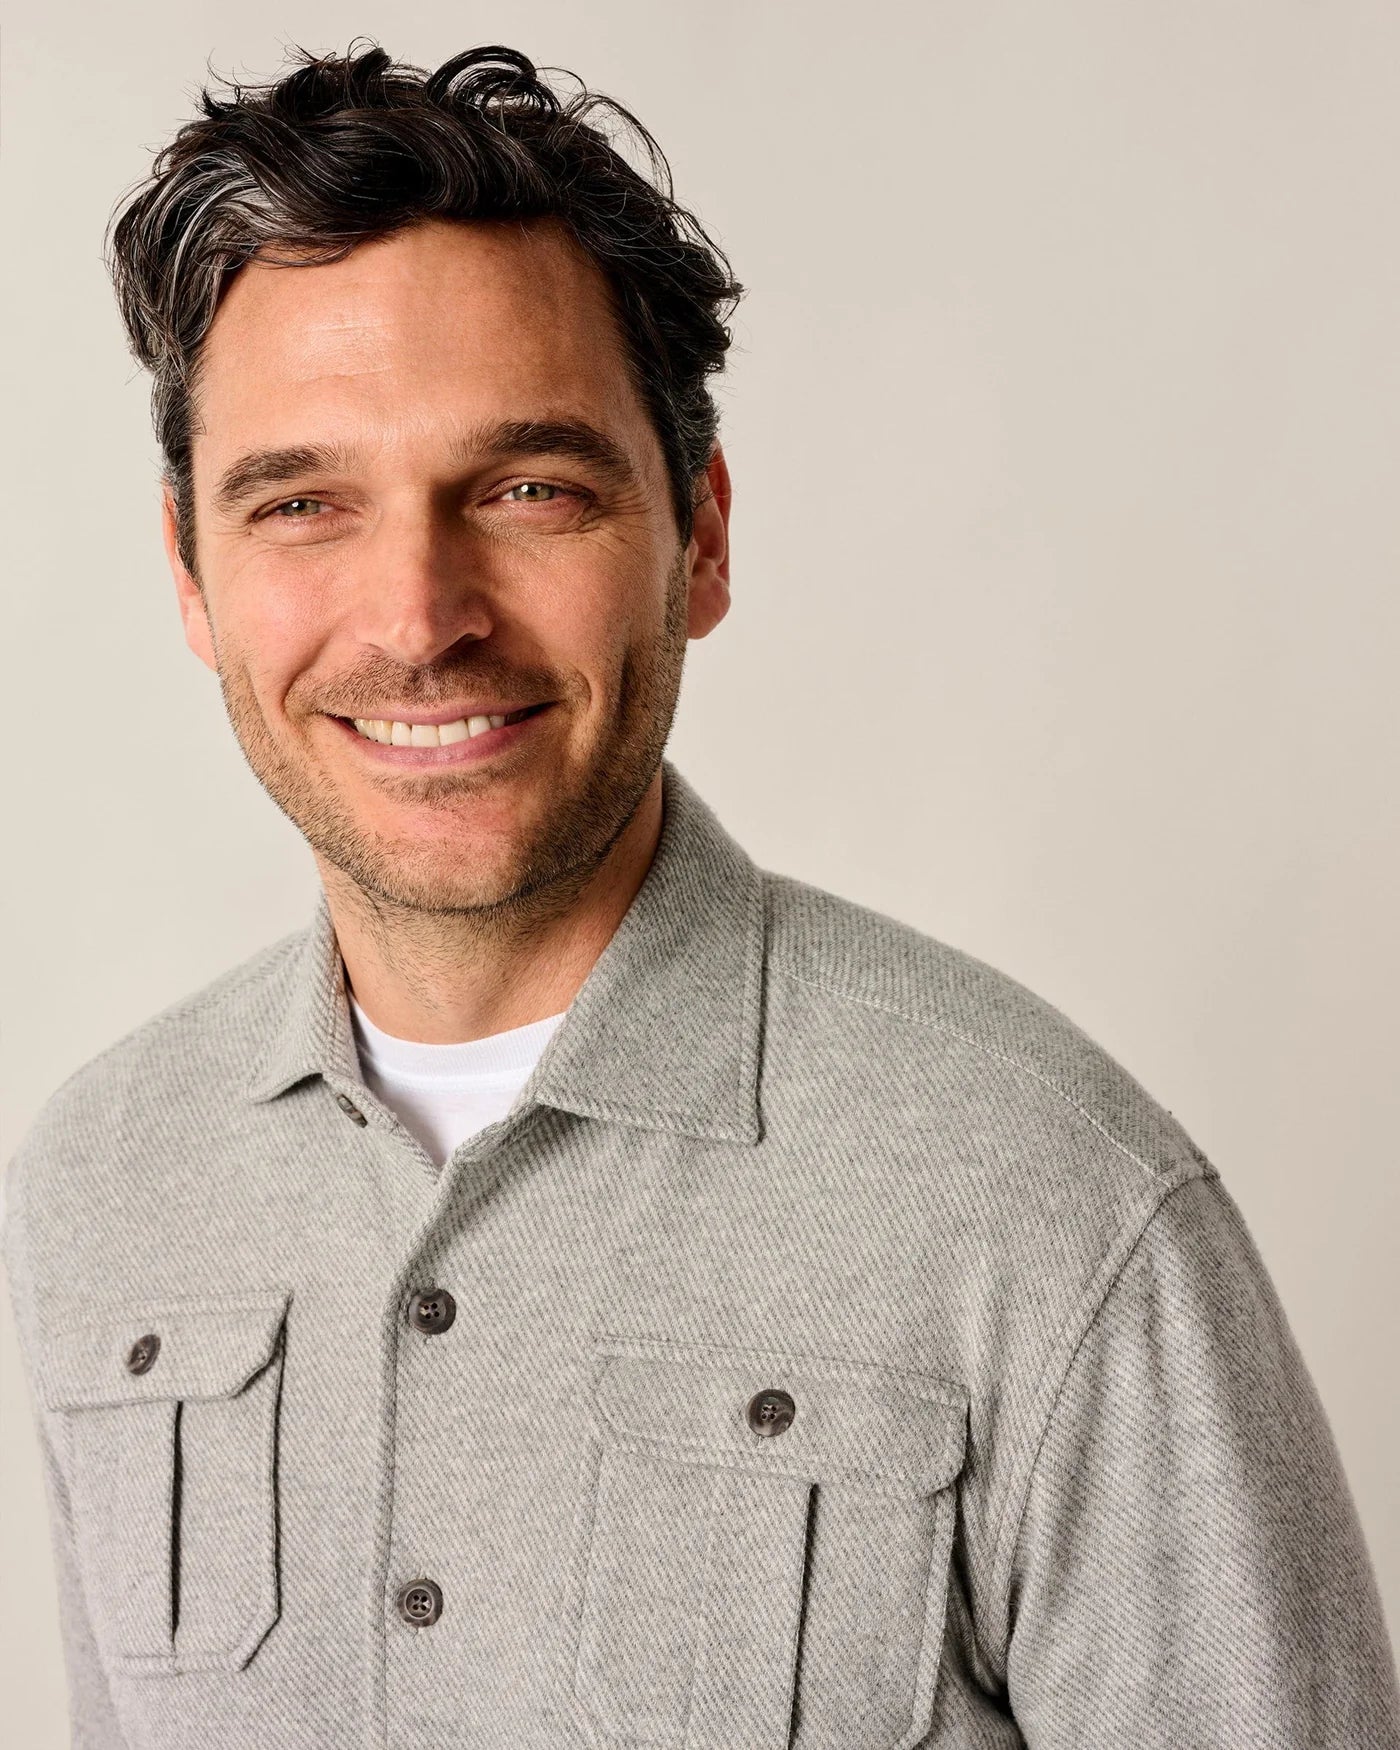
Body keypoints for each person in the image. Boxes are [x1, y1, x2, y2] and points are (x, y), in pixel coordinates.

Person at [3, 40, 1396, 1750]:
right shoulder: (98, 1180)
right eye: (302, 502)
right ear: (190, 574)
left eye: (529, 488)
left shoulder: (1055, 1204)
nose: (419, 614)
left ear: (702, 533)